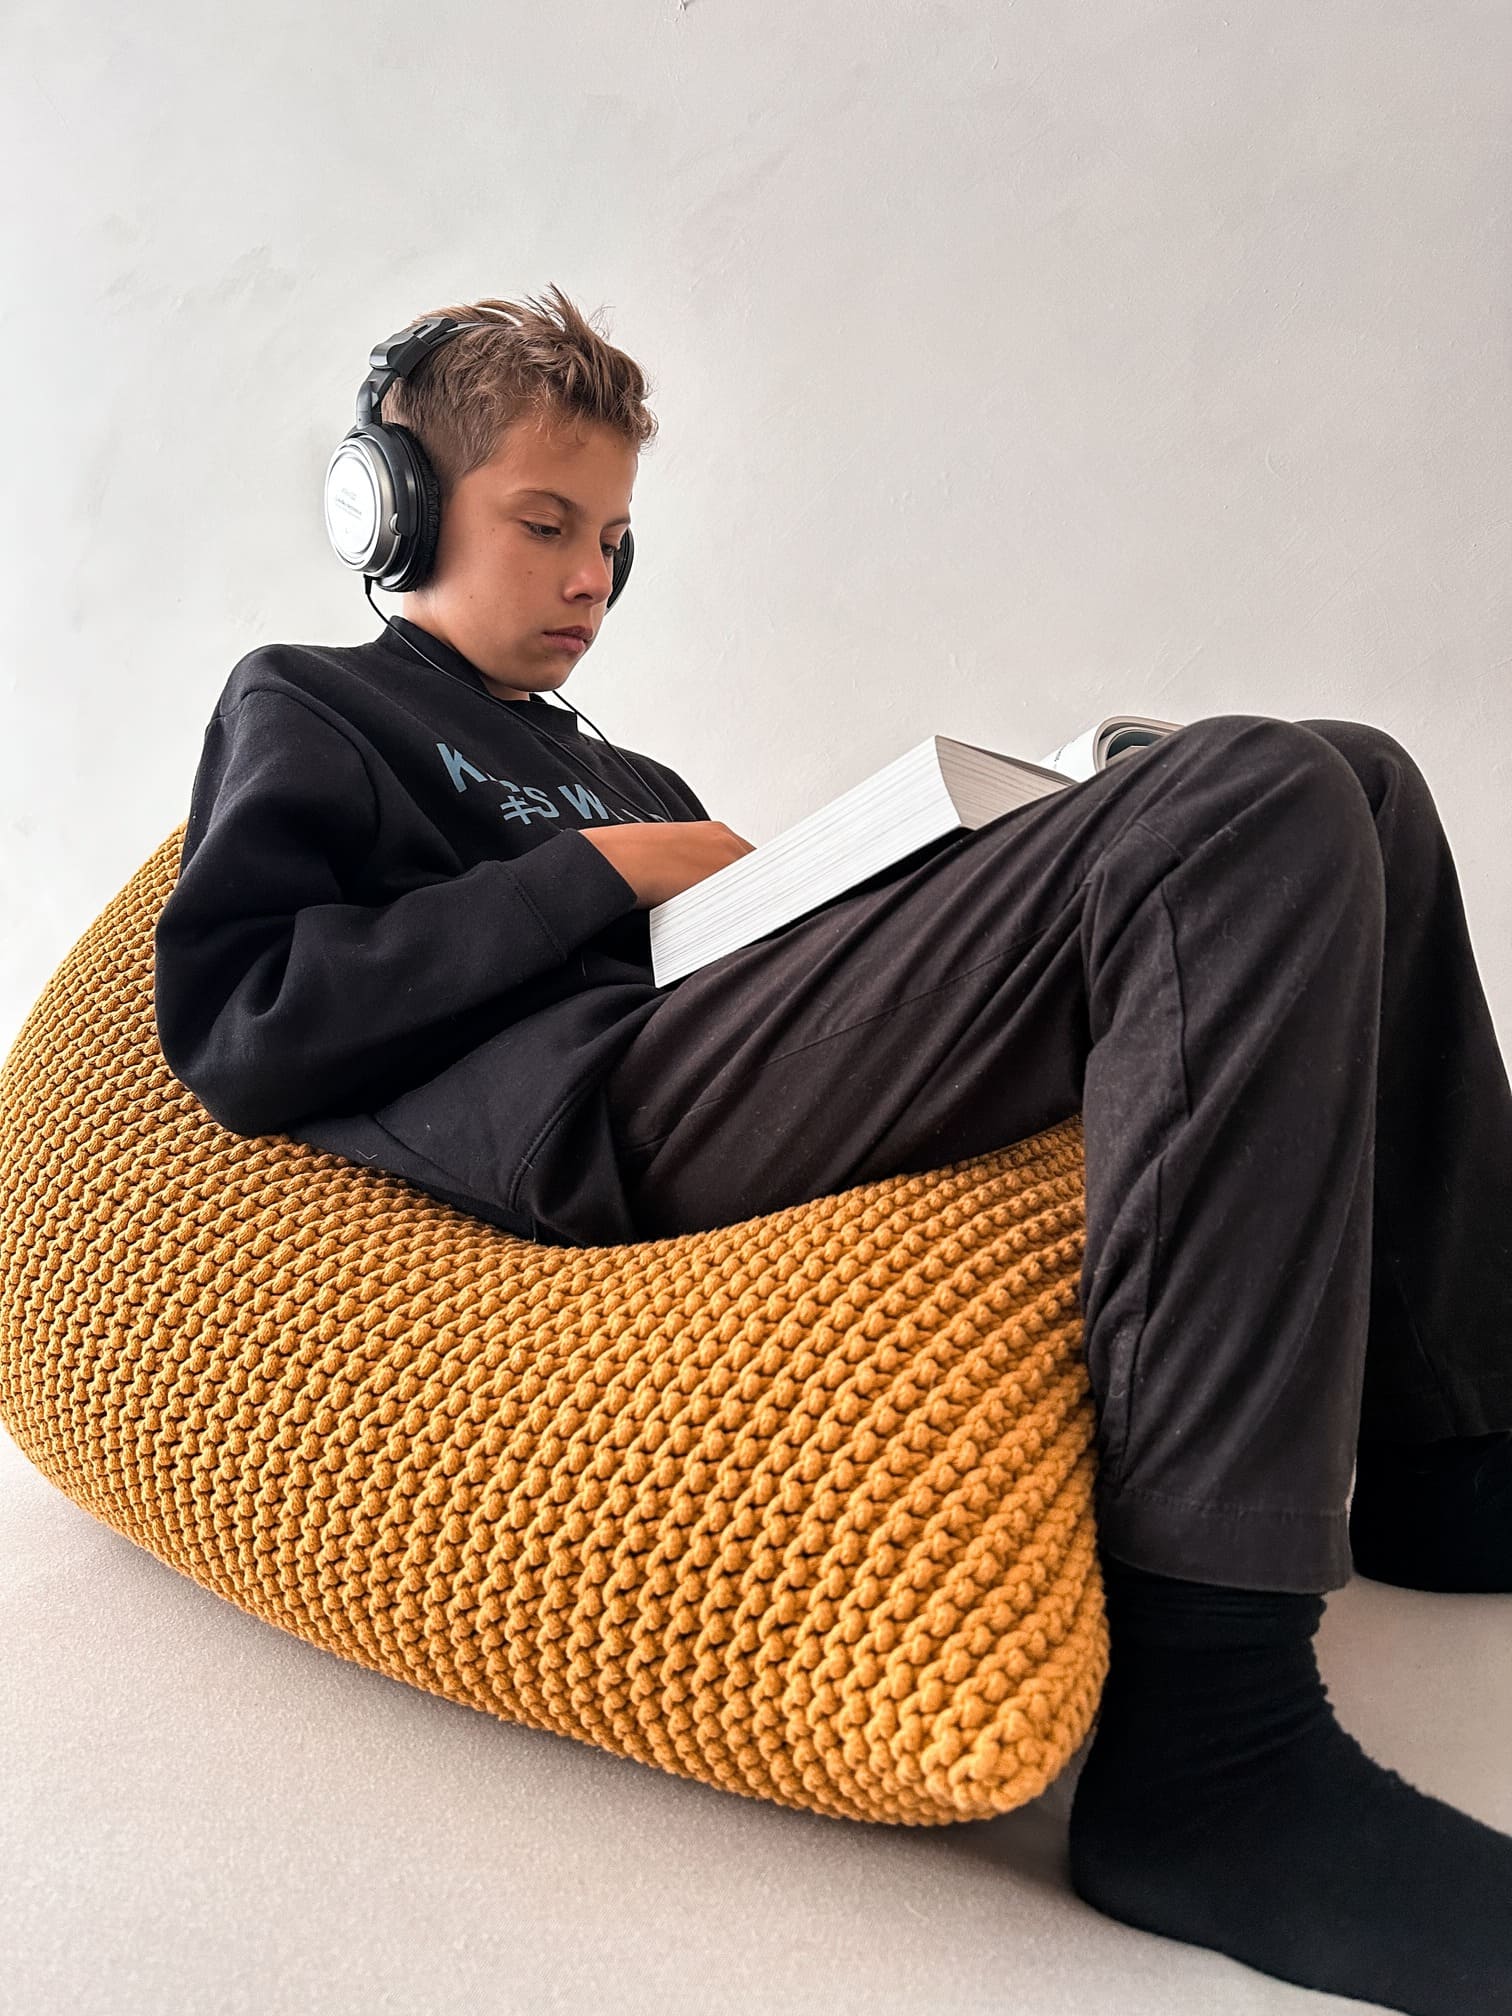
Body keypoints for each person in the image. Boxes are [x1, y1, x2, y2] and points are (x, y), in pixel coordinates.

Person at [153, 288, 1512, 2015]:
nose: (589, 581)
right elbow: (244, 1019)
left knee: (1351, 778)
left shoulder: (617, 761)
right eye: (546, 526)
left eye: (618, 544)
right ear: (395, 509)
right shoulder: (317, 704)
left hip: (712, 1037)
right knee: (1243, 796)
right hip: (587, 1112)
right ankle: (1214, 1746)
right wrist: (603, 874)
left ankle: (1449, 1458)